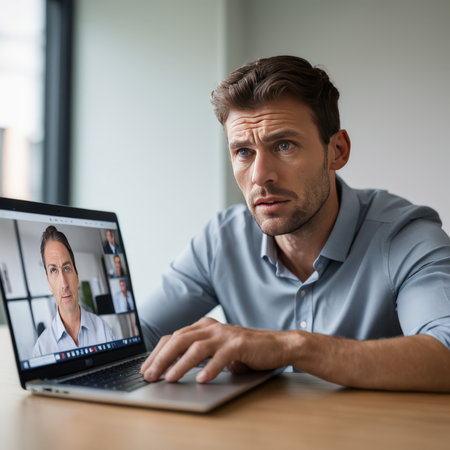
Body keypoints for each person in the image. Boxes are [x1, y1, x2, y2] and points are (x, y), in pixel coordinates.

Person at [140, 55, 450, 391]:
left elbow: (445, 351)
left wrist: (290, 346)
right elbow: (141, 337)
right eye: (244, 151)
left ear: (338, 150)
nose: (261, 177)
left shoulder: (405, 235)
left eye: (284, 145)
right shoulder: (221, 239)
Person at [33, 226, 116, 357]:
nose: (64, 284)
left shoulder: (103, 329)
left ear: (76, 276)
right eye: (53, 270)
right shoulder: (41, 349)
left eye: (67, 268)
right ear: (48, 281)